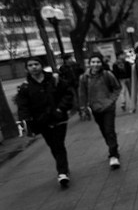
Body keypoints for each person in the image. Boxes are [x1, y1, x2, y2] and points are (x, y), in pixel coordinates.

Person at [16, 56, 74, 187]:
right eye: (30, 65)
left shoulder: (54, 79)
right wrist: (27, 121)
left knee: (58, 144)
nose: (34, 67)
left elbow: (68, 93)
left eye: (36, 64)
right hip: (42, 122)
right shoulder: (25, 87)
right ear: (27, 69)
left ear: (41, 65)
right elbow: (23, 106)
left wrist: (61, 108)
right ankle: (63, 167)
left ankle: (62, 172)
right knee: (53, 145)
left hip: (58, 118)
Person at [78, 52, 122, 169]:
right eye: (93, 62)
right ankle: (113, 147)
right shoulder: (84, 78)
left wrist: (111, 100)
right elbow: (82, 94)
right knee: (104, 131)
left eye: (98, 62)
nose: (96, 64)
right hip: (95, 109)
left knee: (109, 130)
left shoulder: (107, 74)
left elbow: (117, 88)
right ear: (89, 63)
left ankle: (113, 155)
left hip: (108, 108)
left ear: (101, 63)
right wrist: (83, 108)